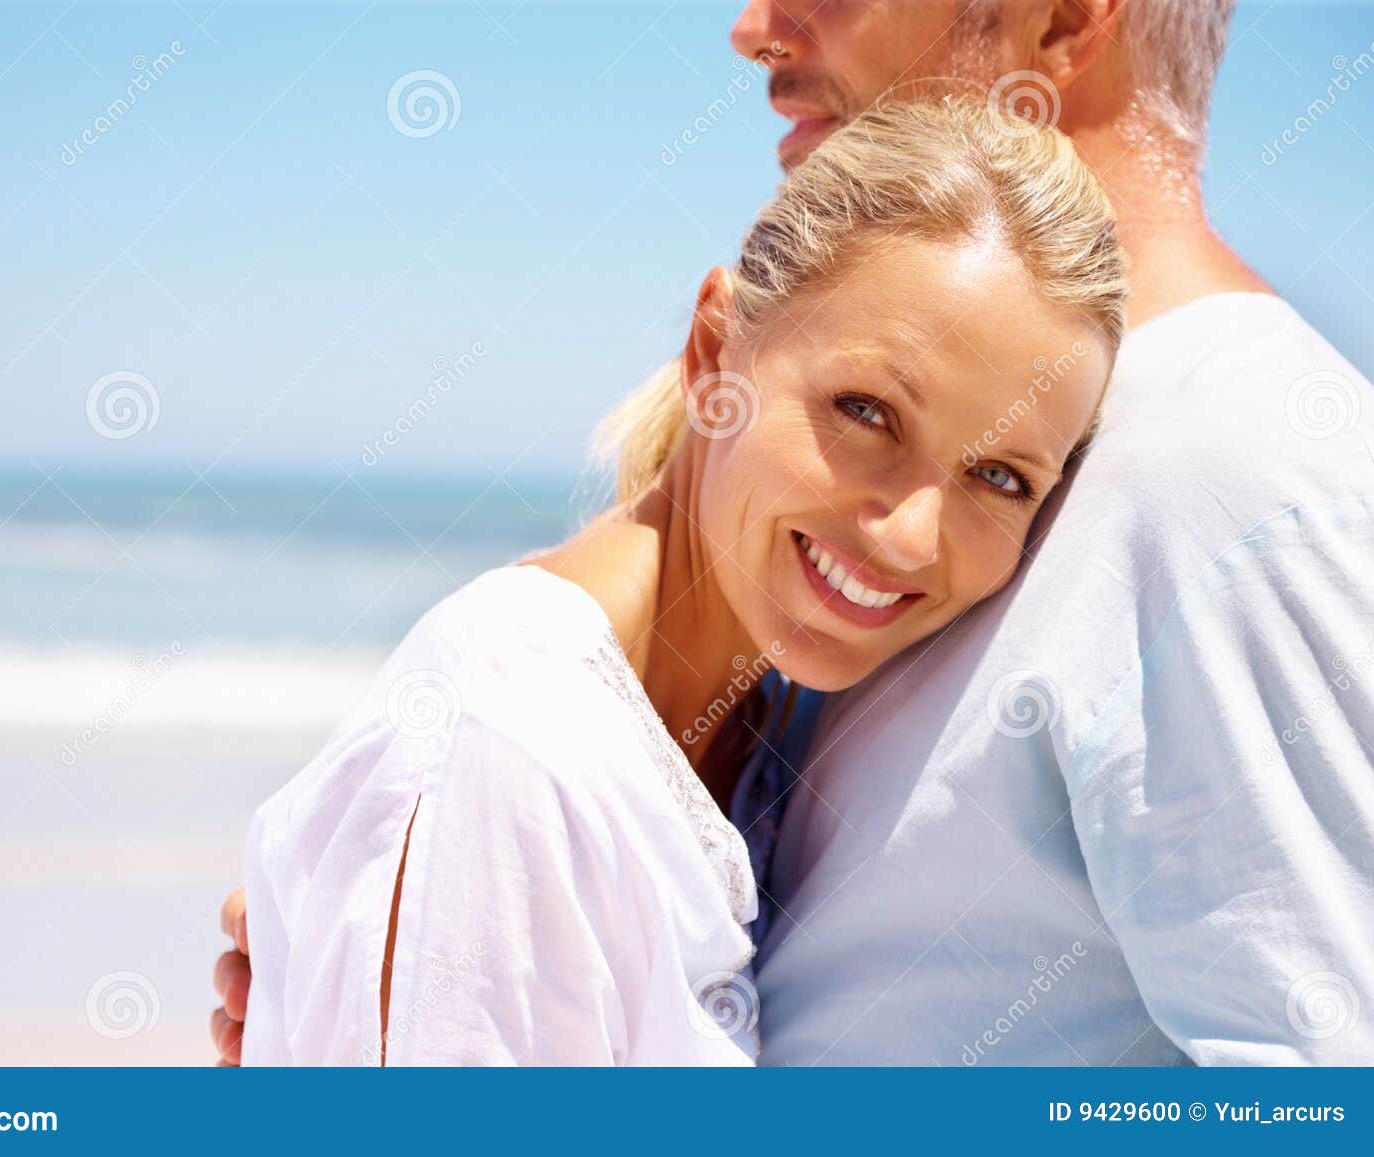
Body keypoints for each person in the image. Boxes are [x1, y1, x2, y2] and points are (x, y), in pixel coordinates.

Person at [216, 0, 1374, 1065]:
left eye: (1000, 476)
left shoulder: (1237, 476)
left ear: (1062, 18)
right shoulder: (694, 649)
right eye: (865, 413)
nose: (754, 28)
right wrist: (413, 934)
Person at [238, 98, 1125, 1064]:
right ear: (714, 352)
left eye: (1000, 477)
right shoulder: (515, 746)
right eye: (866, 410)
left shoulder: (774, 737)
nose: (911, 536)